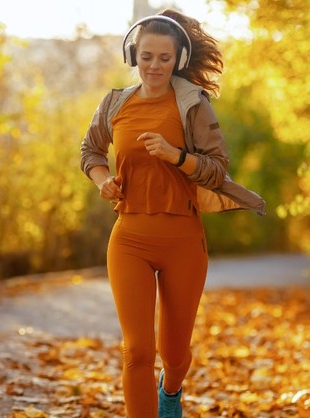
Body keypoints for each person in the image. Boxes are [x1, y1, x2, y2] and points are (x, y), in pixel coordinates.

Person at [79, 9, 266, 418]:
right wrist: (102, 181)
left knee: (175, 354)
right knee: (137, 351)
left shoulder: (193, 104)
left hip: (183, 240)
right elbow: (90, 150)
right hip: (129, 238)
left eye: (164, 58)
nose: (154, 66)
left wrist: (176, 156)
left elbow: (217, 169)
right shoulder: (115, 103)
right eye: (146, 56)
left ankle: (172, 389)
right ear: (133, 55)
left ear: (179, 59)